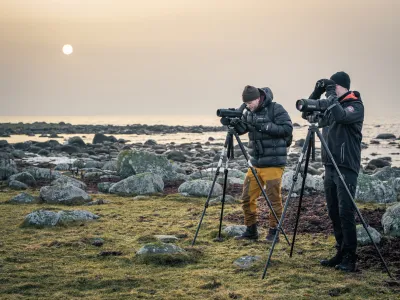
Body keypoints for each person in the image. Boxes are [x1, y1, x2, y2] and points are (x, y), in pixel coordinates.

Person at [222, 85, 293, 242]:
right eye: (246, 104)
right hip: (255, 163)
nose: (248, 106)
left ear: (258, 98)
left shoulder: (276, 108)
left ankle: (274, 233)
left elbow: (287, 128)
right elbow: (243, 129)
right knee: (247, 197)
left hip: (274, 163)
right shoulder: (248, 111)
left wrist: (264, 126)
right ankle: (251, 231)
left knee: (273, 199)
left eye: (250, 103)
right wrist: (231, 123)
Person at [309, 72, 364, 272]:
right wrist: (316, 92)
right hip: (330, 166)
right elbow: (308, 114)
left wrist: (330, 94)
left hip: (346, 166)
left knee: (345, 212)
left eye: (333, 88)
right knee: (333, 211)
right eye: (329, 90)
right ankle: (340, 251)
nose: (330, 93)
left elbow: (341, 116)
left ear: (341, 87)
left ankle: (350, 257)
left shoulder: (355, 105)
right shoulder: (331, 106)